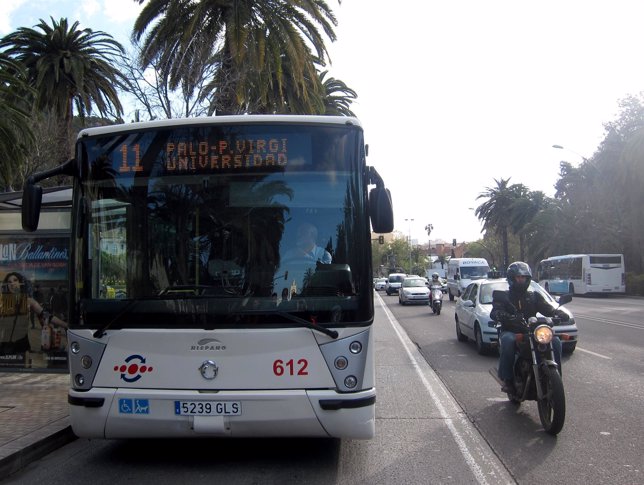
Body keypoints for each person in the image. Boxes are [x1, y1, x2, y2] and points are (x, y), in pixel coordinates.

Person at [490, 262, 567, 393]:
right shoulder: (503, 296)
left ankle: (556, 377)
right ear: (512, 278)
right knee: (508, 341)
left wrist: (557, 312)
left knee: (555, 341)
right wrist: (506, 316)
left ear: (528, 279)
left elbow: (547, 308)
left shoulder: (533, 296)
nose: (521, 280)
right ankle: (508, 380)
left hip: (532, 331)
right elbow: (495, 312)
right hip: (511, 330)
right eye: (518, 277)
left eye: (523, 277)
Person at [0, 272, 67, 355]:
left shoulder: (29, 301)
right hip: (6, 343)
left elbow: (46, 315)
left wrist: (65, 325)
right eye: (9, 282)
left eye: (15, 280)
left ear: (20, 283)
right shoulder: (2, 301)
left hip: (22, 344)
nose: (12, 283)